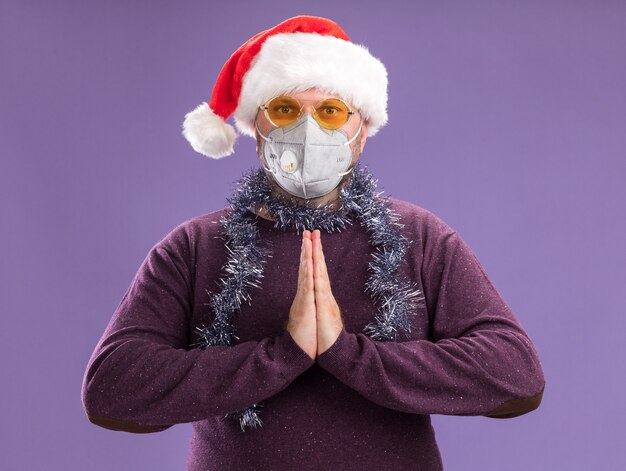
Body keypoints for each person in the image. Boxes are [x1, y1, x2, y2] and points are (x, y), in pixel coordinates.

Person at [81, 15, 545, 470]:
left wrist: (346, 352)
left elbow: (516, 376)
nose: (307, 131)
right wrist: (284, 354)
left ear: (361, 130)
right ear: (256, 130)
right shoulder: (195, 247)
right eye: (285, 109)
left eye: (330, 112)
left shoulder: (419, 237)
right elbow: (110, 390)